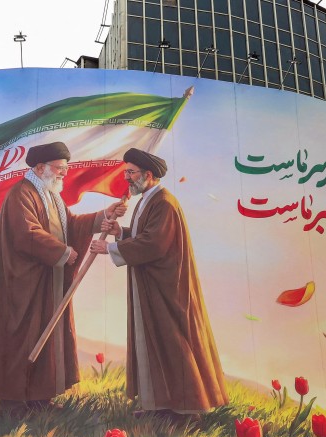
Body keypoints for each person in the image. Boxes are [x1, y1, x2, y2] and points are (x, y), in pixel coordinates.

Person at [0, 142, 125, 412]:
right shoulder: (21, 194)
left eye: (65, 168)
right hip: (22, 285)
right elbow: (26, 233)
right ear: (40, 168)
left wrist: (104, 215)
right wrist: (62, 251)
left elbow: (70, 225)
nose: (64, 173)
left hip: (46, 282)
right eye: (59, 168)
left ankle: (40, 399)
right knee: (20, 339)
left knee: (45, 338)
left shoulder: (50, 195)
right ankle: (13, 403)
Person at [89, 148, 227, 419]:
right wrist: (121, 233)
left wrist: (111, 248)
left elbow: (154, 243)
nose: (126, 178)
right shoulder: (148, 200)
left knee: (173, 344)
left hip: (167, 289)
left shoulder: (164, 203)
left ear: (148, 174)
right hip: (152, 286)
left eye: (131, 173)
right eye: (126, 172)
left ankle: (186, 412)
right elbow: (144, 235)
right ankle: (161, 407)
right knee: (155, 344)